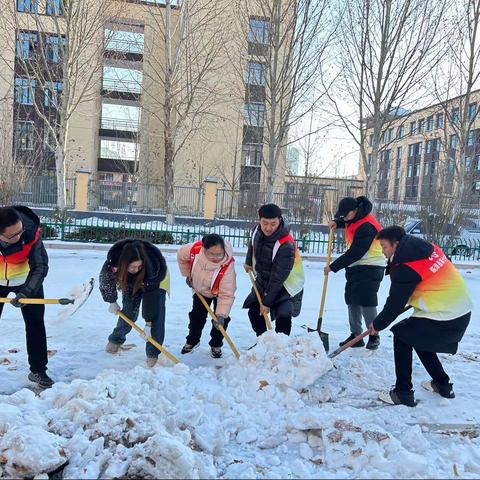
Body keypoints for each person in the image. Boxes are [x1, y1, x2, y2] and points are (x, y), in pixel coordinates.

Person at [370, 226, 472, 407]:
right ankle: (443, 385)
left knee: (402, 336)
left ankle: (403, 393)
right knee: (416, 337)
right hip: (459, 311)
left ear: (397, 244)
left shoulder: (405, 267)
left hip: (446, 316)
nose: (383, 252)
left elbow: (394, 304)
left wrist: (377, 325)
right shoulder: (427, 248)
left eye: (385, 247)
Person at [0, 206, 52, 388]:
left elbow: (40, 266)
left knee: (35, 323)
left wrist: (26, 292)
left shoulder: (30, 233)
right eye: (13, 236)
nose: (19, 236)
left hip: (27, 280)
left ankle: (38, 370)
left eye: (20, 231)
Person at [325, 196, 385, 350]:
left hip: (371, 266)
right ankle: (356, 335)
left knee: (366, 301)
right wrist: (337, 223)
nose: (345, 218)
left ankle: (374, 335)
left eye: (347, 214)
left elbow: (356, 252)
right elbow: (348, 222)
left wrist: (333, 267)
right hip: (356, 266)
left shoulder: (367, 226)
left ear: (355, 210)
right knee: (351, 299)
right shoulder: (355, 217)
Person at [99, 239, 169, 368]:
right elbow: (106, 280)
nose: (136, 269)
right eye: (133, 267)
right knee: (129, 311)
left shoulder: (152, 268)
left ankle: (153, 355)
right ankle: (115, 340)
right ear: (123, 264)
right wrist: (111, 301)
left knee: (156, 318)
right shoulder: (113, 261)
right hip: (131, 281)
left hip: (156, 282)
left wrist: (148, 323)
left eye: (139, 266)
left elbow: (150, 300)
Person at [243, 203, 304, 336]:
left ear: (280, 220)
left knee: (283, 314)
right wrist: (248, 262)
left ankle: (281, 346)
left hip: (287, 284)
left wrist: (266, 303)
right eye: (265, 223)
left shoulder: (285, 244)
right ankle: (265, 342)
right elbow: (252, 244)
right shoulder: (257, 230)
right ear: (259, 220)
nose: (268, 228)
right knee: (254, 312)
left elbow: (278, 278)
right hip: (264, 279)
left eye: (273, 223)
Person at [177, 234, 236, 358]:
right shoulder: (195, 250)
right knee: (196, 316)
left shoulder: (227, 265)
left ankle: (216, 344)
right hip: (200, 290)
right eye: (212, 254)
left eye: (219, 254)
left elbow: (226, 294)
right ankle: (192, 341)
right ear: (204, 249)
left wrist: (220, 315)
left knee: (220, 322)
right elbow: (181, 255)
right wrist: (188, 275)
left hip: (220, 293)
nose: (216, 257)